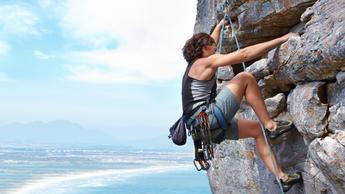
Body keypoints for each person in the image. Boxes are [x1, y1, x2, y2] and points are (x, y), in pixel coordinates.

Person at [181, 20, 301, 192]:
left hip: (204, 131)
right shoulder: (204, 62)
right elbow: (245, 54)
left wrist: (220, 25)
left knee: (257, 132)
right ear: (204, 49)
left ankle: (282, 178)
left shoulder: (193, 67)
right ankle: (271, 125)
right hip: (209, 118)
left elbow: (209, 41)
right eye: (212, 47)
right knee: (245, 78)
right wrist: (282, 38)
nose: (216, 49)